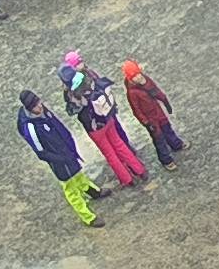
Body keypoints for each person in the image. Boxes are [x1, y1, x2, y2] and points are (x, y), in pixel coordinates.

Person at [19, 90, 105, 229]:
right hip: (59, 161)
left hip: (67, 150)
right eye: (35, 106)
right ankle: (88, 217)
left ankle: (92, 191)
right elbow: (41, 152)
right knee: (70, 188)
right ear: (29, 109)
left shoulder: (43, 110)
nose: (39, 106)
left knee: (78, 174)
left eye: (39, 102)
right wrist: (60, 159)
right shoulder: (30, 127)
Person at [62, 56, 149, 188]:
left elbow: (72, 110)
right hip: (105, 116)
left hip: (93, 127)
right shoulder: (87, 77)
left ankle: (127, 179)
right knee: (119, 144)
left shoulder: (70, 93)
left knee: (110, 153)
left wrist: (65, 91)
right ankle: (140, 170)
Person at [121, 61, 186, 170]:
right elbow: (136, 110)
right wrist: (146, 123)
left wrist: (164, 100)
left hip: (158, 111)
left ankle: (176, 144)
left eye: (138, 74)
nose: (138, 77)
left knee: (167, 129)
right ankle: (166, 160)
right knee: (159, 140)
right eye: (134, 76)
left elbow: (155, 90)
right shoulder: (131, 93)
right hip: (150, 119)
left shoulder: (146, 80)